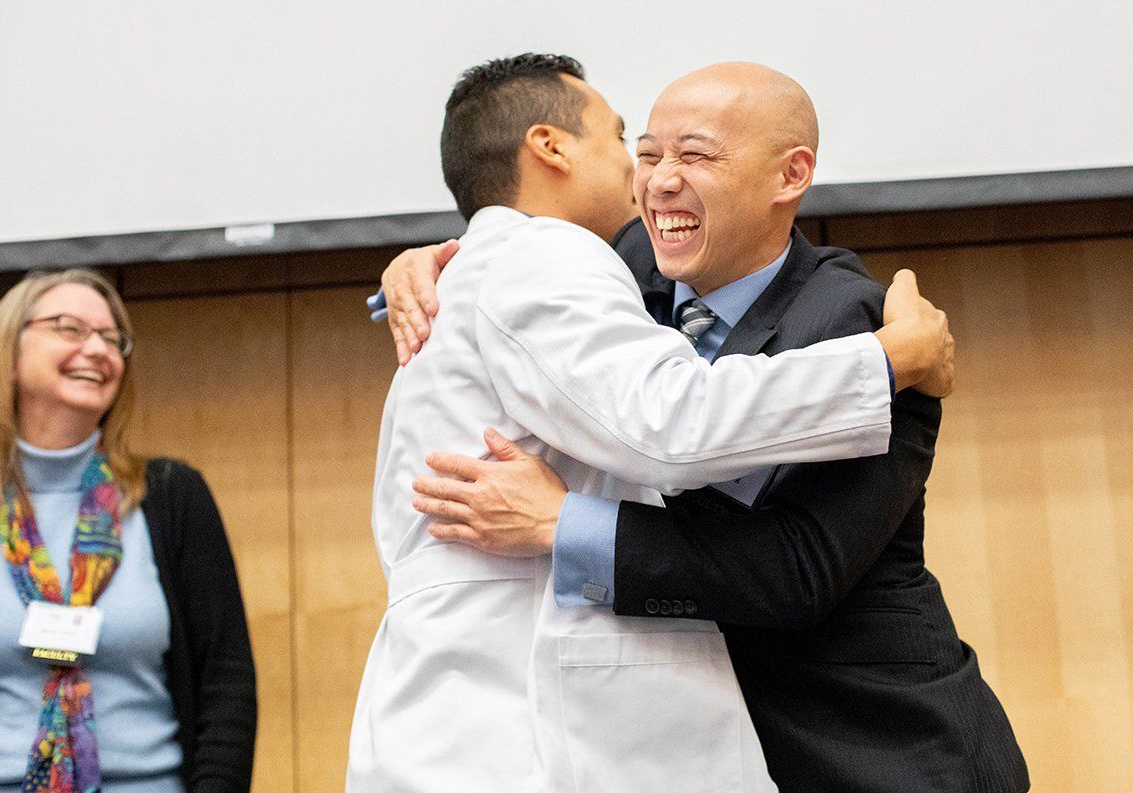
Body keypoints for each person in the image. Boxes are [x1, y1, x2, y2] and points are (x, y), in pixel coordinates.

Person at [386, 63, 1028, 791]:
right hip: (687, 749)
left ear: (791, 175)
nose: (658, 181)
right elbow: (516, 256)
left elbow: (796, 574)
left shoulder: (862, 326)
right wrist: (422, 264)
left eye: (694, 156)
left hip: (870, 747)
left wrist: (564, 525)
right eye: (648, 151)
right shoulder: (622, 267)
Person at [0, 269, 256, 793]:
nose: (99, 349)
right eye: (70, 329)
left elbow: (226, 681)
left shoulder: (173, 496)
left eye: (112, 339)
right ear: (8, 355)